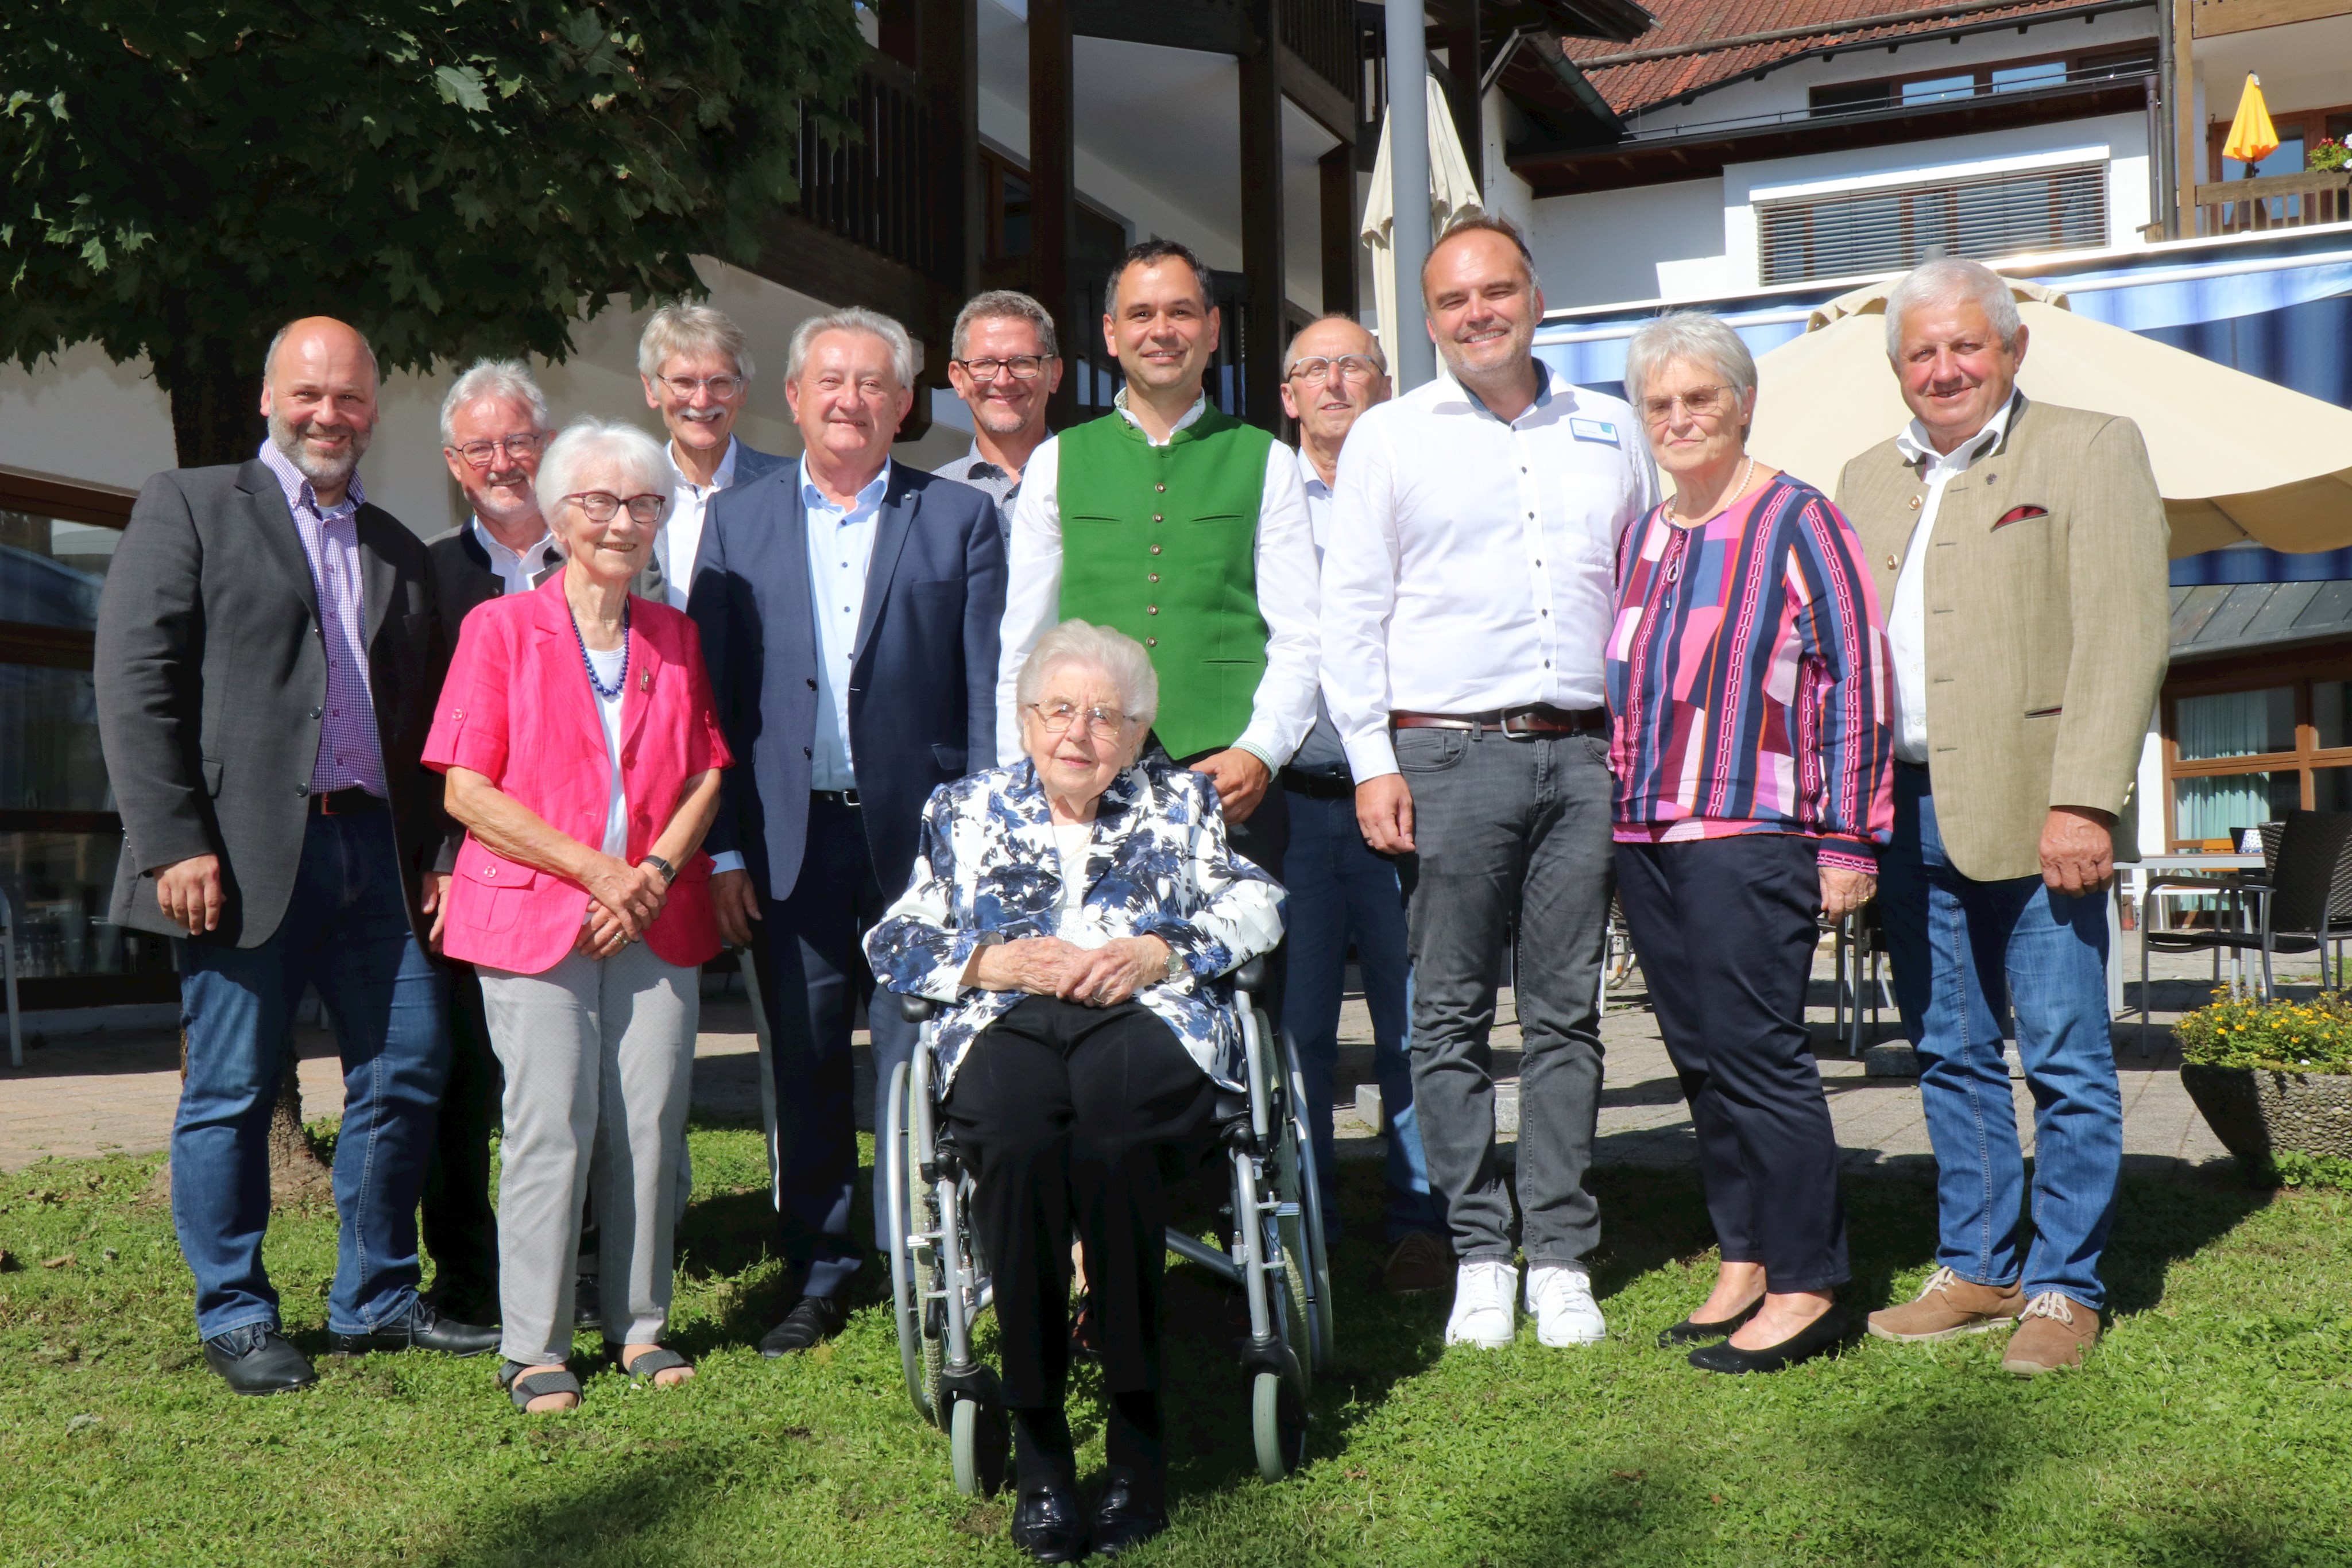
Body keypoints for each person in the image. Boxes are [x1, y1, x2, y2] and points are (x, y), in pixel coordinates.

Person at [93, 316, 496, 1396]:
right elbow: (137, 686)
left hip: (377, 848)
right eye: (310, 394)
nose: (331, 414)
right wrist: (174, 838)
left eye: (352, 397)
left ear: (375, 409)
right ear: (267, 398)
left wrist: (442, 848)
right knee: (229, 1087)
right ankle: (234, 1313)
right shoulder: (187, 506)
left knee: (408, 1066)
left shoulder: (398, 546)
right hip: (238, 852)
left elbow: (429, 727)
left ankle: (374, 1299)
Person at [866, 620, 1283, 1562]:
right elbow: (894, 937)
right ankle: (1042, 1442)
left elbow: (1254, 902)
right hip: (1007, 1013)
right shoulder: (963, 807)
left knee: (1113, 1141)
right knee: (1013, 1145)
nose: (1079, 733)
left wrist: (1158, 949)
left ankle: (1137, 1441)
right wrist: (989, 959)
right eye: (1060, 710)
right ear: (1024, 721)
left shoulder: (1181, 801)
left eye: (1107, 716)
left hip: (1144, 1014)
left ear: (1138, 734)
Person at [1321, 214, 1656, 1352]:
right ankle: (1476, 1251)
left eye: (1495, 290)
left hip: (1581, 753)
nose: (1477, 313)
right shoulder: (1387, 435)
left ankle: (1557, 1250)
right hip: (1444, 753)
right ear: (1428, 321)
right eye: (1454, 300)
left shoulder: (1611, 430)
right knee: (1447, 1016)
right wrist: (1370, 760)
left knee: (1568, 1012)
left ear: (1534, 296)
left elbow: (1643, 598)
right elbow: (1349, 613)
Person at [1842, 258, 2168, 1377]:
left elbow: (2122, 633)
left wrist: (2083, 797)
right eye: (1920, 353)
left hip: (2039, 807)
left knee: (2065, 1056)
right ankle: (1975, 1266)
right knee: (1948, 1050)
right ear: (1895, 370)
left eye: (1963, 345)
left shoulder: (2087, 446)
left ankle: (2062, 1286)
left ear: (2010, 349)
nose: (1943, 368)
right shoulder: (1858, 478)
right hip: (1900, 806)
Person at [690, 307, 1005, 1358]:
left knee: (927, 1057)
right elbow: (714, 707)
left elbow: (983, 700)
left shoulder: (958, 519)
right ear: (794, 397)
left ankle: (927, 1251)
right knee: (811, 1062)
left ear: (904, 403)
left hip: (920, 848)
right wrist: (724, 850)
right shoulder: (737, 523)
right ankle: (821, 1274)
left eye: (875, 383)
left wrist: (974, 853)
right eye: (831, 380)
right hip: (788, 847)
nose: (851, 400)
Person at [425, 418, 731, 1413]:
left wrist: (648, 871)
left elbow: (706, 774)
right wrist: (601, 874)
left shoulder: (673, 636)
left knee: (650, 1121)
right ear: (558, 515)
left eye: (643, 503)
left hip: (654, 909)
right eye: (599, 502)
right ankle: (533, 1344)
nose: (621, 521)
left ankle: (641, 1324)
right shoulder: (499, 631)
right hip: (533, 916)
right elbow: (467, 793)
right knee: (551, 1121)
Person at [1606, 311, 1893, 1373]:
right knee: (1695, 1056)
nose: (1679, 420)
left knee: (1759, 1055)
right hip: (1647, 831)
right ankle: (1742, 1251)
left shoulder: (1799, 520)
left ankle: (1808, 1279)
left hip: (1751, 830)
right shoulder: (1649, 532)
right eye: (1660, 405)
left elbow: (1855, 680)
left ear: (1742, 404)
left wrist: (1849, 837)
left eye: (1699, 400)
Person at [993, 237, 1318, 1021]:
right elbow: (1023, 642)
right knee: (1090, 994)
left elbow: (1303, 636)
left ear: (1211, 328)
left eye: (1180, 311)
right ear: (1110, 333)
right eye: (1141, 313)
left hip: (1226, 778)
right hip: (1083, 768)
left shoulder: (1267, 461)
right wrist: (1019, 779)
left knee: (1238, 997)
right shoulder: (1056, 461)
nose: (1160, 329)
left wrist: (1260, 749)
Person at [1274, 314, 1448, 1293]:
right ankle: (1301, 1213)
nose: (1336, 382)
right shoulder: (1262, 492)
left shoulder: (1417, 479)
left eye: (1355, 366)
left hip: (1406, 796)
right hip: (1293, 802)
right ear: (1289, 393)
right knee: (1296, 1026)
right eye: (1315, 369)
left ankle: (1420, 1218)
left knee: (1414, 1021)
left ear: (1383, 385)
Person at [417, 358, 562, 1332]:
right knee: (462, 1074)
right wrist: (434, 856)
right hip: (463, 864)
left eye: (519, 440)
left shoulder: (603, 561)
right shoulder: (422, 574)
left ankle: (576, 1263)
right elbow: (406, 728)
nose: (504, 460)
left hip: (576, 863)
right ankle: (467, 1275)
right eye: (483, 448)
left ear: (546, 447)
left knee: (569, 1076)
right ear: (455, 465)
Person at [635, 301, 787, 609]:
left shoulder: (788, 489)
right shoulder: (627, 493)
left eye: (720, 382)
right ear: (651, 390)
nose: (702, 401)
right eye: (683, 382)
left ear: (743, 391)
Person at [934, 289, 1063, 547]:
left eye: (1023, 362)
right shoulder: (929, 498)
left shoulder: (1090, 480)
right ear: (958, 379)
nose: (1003, 380)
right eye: (984, 364)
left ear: (1055, 374)